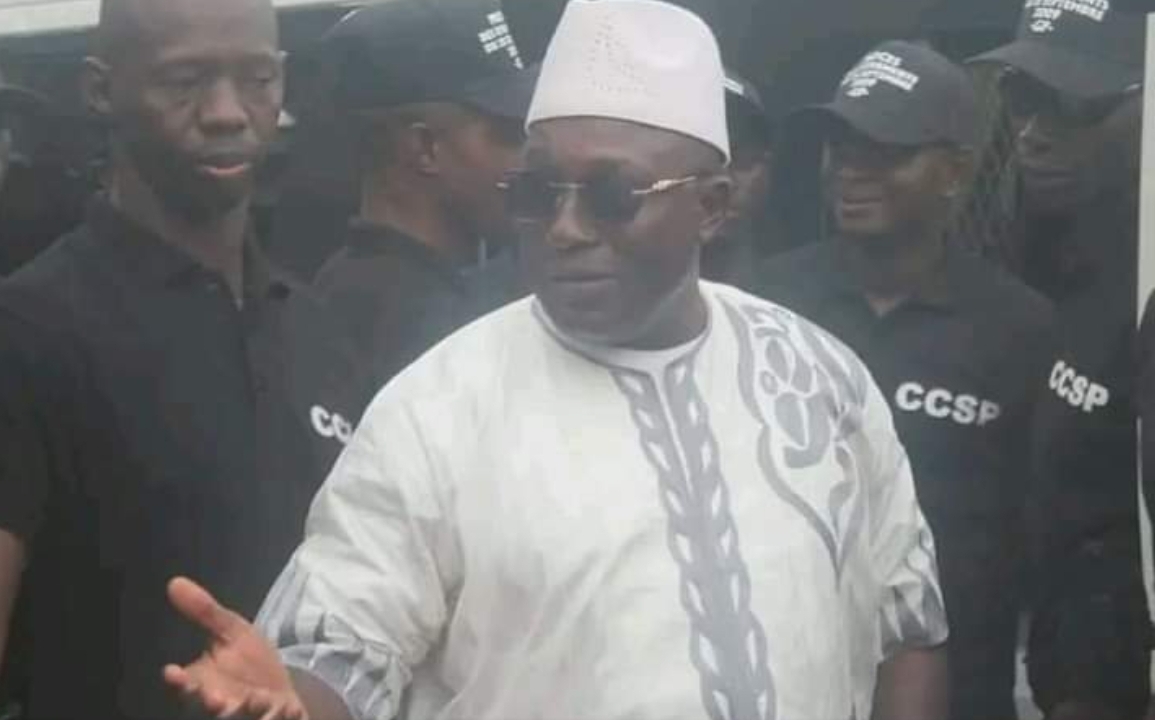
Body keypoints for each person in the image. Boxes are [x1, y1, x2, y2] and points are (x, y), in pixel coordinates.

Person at [163, 3, 949, 719]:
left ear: (709, 206)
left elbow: (906, 620)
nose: (565, 229)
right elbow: (338, 647)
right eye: (539, 192)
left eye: (612, 195)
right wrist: (287, 700)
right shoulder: (439, 409)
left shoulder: (819, 377)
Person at [0, 0, 368, 716]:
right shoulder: (29, 333)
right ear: (100, 89)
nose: (226, 112)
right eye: (184, 81)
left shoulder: (319, 333)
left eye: (256, 79)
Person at [757, 41, 1056, 720]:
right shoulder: (768, 304)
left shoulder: (1019, 327)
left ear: (955, 171)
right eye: (840, 147)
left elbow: (1044, 530)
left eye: (885, 151)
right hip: (795, 681)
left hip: (961, 686)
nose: (850, 170)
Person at [971, 5, 1151, 720]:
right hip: (1042, 660)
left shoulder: (1141, 286)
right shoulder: (1025, 255)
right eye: (1022, 96)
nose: (1033, 131)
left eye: (1074, 104)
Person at [313, 0, 538, 389]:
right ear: (425, 148)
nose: (529, 156)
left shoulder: (356, 285)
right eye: (509, 134)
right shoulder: (413, 328)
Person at [701, 70, 778, 289]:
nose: (724, 180)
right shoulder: (624, 288)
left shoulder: (796, 294)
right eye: (706, 158)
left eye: (741, 160)